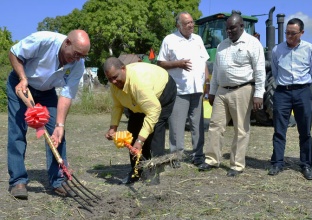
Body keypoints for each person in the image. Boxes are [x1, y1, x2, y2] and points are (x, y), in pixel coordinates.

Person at [7, 30, 91, 199]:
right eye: (76, 54)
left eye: (82, 56)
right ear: (67, 42)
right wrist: (23, 78)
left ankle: (58, 180)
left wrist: (60, 125)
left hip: (47, 92)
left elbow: (66, 94)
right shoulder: (44, 40)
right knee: (17, 131)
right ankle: (18, 181)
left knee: (57, 133)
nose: (77, 59)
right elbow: (14, 53)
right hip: (21, 84)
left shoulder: (78, 64)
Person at [198, 12, 266, 176]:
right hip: (221, 90)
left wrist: (258, 94)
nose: (229, 31)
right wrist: (212, 92)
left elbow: (259, 70)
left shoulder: (252, 44)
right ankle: (212, 159)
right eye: (227, 29)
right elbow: (218, 70)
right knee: (215, 125)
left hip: (242, 89)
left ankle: (236, 164)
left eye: (232, 28)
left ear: (241, 26)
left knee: (241, 128)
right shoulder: (222, 45)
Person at [104, 57, 176, 184]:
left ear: (123, 69)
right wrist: (113, 127)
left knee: (155, 130)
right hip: (138, 100)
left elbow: (153, 111)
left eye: (115, 77)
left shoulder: (139, 83)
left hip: (163, 91)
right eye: (110, 79)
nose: (113, 81)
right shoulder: (115, 85)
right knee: (133, 129)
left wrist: (140, 140)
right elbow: (117, 105)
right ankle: (136, 171)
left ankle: (154, 172)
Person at [157, 12, 210, 167]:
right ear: (178, 25)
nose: (190, 25)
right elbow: (160, 63)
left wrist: (206, 83)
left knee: (197, 125)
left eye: (192, 22)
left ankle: (198, 155)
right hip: (179, 90)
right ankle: (176, 156)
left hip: (197, 90)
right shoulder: (170, 40)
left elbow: (204, 63)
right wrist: (177, 64)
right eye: (186, 23)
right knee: (176, 126)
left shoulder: (198, 39)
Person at [268, 18, 312, 180]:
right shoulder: (277, 50)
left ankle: (306, 164)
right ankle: (277, 162)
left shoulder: (309, 49)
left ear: (301, 33)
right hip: (282, 92)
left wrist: (300, 86)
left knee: (305, 130)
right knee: (279, 130)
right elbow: (275, 72)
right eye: (287, 33)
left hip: (302, 91)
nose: (289, 36)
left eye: (293, 33)